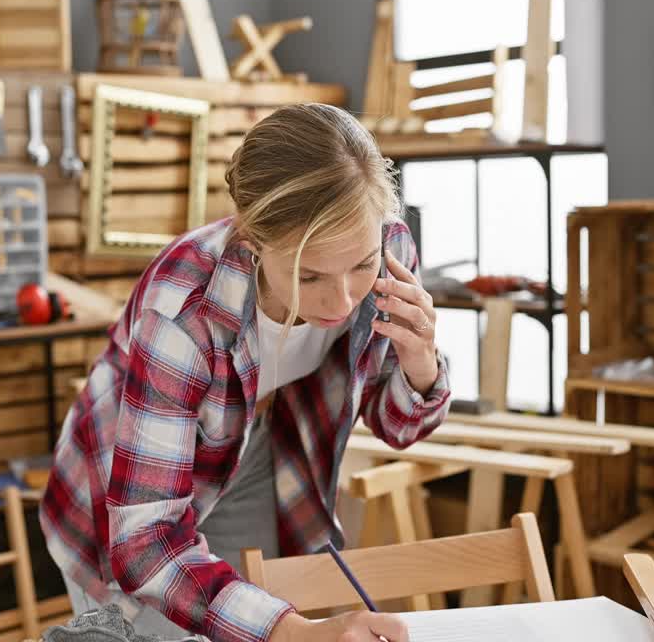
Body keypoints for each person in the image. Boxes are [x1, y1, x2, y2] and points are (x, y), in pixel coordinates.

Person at [41, 103, 451, 642]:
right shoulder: (183, 309)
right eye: (309, 275)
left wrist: (420, 360)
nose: (345, 299)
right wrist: (299, 633)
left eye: (361, 266)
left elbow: (400, 427)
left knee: (257, 617)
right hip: (125, 483)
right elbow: (145, 543)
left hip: (252, 451)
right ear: (254, 243)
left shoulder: (389, 246)